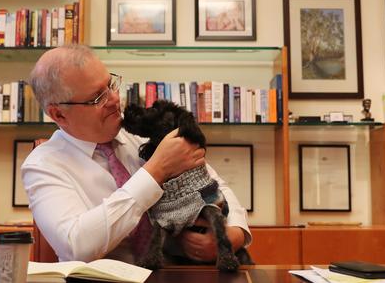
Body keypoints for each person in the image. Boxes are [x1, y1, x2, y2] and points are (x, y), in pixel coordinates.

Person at [22, 44, 251, 264]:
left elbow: (215, 186)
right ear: (59, 114)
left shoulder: (145, 134)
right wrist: (156, 171)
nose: (114, 100)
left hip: (177, 273)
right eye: (97, 98)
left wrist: (232, 237)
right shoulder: (43, 164)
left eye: (111, 85)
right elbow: (76, 245)